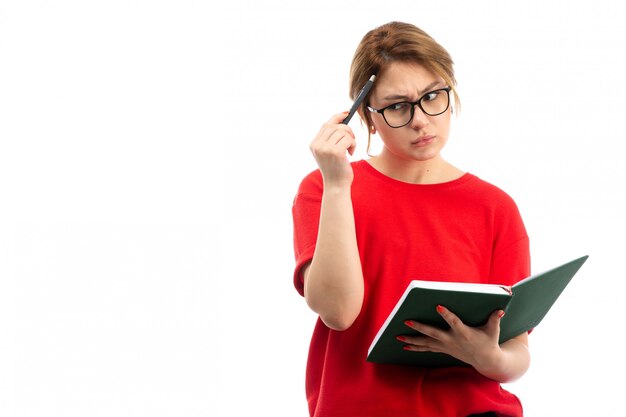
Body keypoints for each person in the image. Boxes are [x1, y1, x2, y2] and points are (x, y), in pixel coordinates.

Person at [291, 21, 531, 417]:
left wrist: (487, 357)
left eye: (432, 96)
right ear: (367, 117)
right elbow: (337, 311)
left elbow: (517, 353)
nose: (421, 120)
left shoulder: (495, 207)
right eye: (398, 106)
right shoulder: (325, 189)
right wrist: (337, 185)